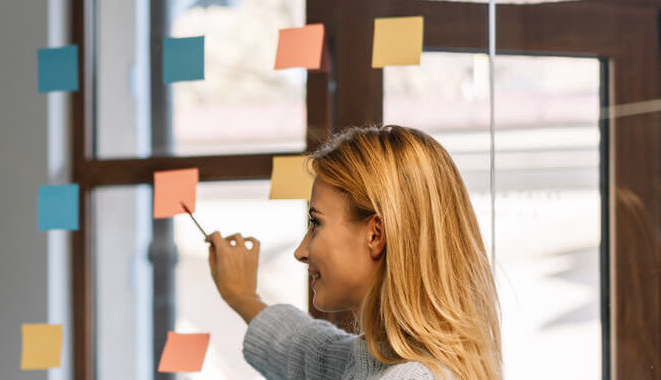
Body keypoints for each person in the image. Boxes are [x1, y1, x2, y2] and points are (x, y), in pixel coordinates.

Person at [207, 125, 501, 380]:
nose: (301, 251)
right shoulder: (381, 361)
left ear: (375, 234)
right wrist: (243, 296)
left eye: (316, 223)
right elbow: (303, 348)